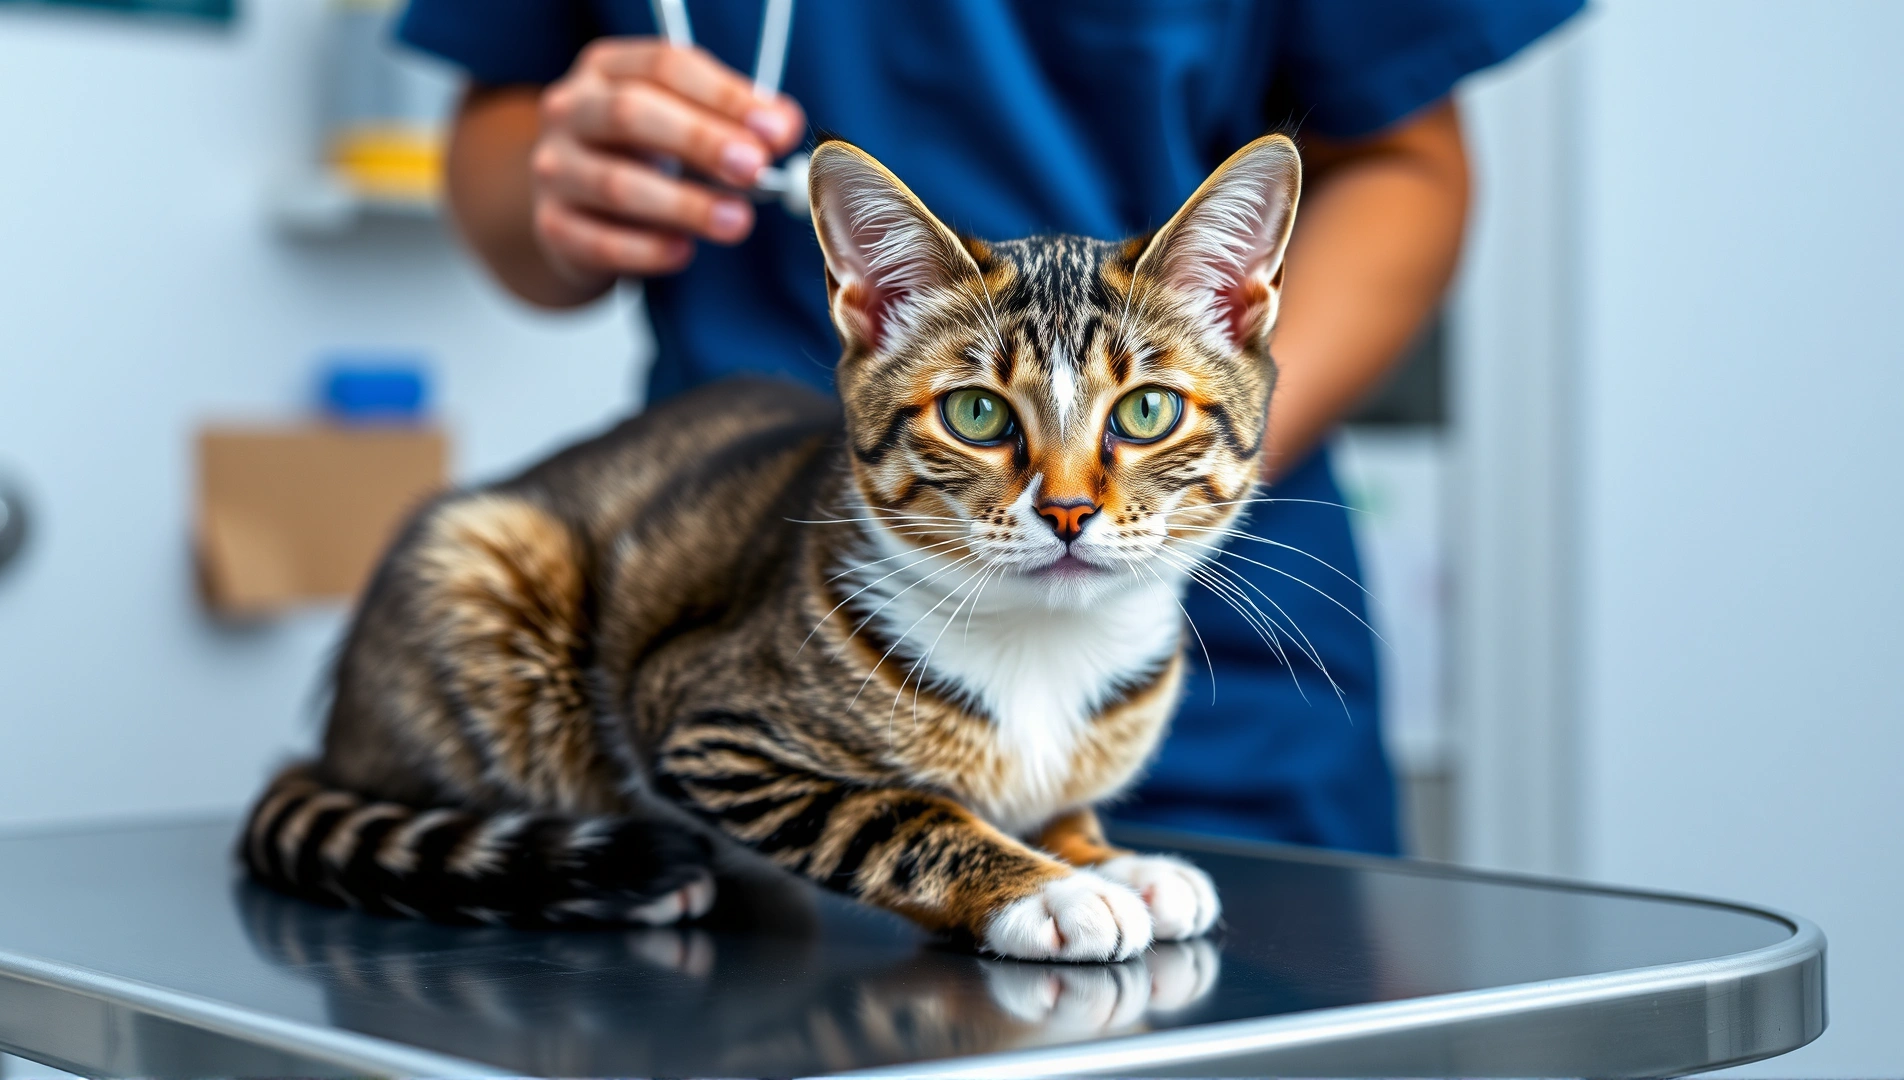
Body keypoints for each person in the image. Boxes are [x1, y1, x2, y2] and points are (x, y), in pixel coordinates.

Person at [398, 0, 1580, 854]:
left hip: (1223, 683)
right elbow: (497, 137)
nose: (1066, 490)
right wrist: (561, 179)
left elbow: (1404, 159)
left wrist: (1187, 470)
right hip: (770, 608)